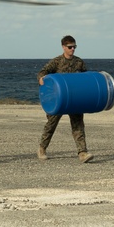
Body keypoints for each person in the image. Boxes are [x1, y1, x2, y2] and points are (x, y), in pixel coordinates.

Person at [37, 35, 93, 163]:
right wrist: (41, 79)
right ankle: (42, 148)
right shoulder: (57, 61)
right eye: (70, 47)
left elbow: (86, 79)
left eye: (74, 47)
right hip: (59, 100)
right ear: (63, 47)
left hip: (75, 99)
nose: (72, 49)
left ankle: (82, 152)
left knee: (78, 125)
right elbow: (43, 72)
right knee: (51, 125)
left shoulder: (79, 62)